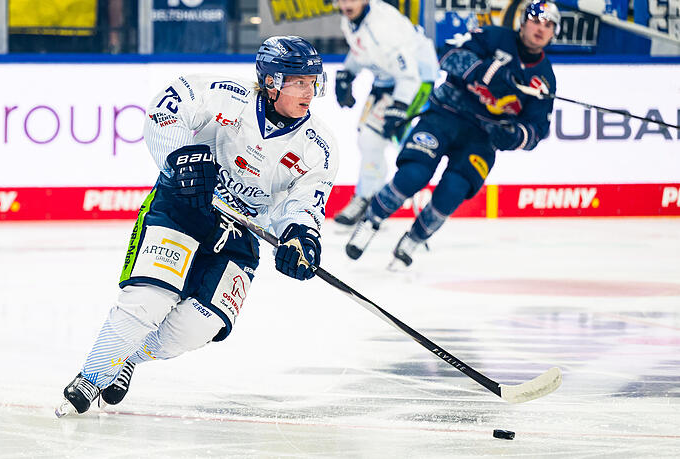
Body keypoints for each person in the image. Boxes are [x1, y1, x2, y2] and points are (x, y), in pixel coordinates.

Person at [56, 36, 339, 416]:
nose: (310, 91)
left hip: (241, 234)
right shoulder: (224, 95)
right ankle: (90, 379)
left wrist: (301, 237)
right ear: (271, 82)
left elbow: (304, 203)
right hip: (182, 207)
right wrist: (179, 160)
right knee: (146, 301)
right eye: (299, 81)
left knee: (193, 329)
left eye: (313, 82)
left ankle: (125, 359)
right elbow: (164, 112)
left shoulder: (319, 146)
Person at [345, 0, 559, 267]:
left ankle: (414, 239)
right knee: (414, 174)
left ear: (554, 33)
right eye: (536, 21)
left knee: (453, 191)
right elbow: (447, 53)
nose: (540, 29)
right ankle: (372, 220)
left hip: (482, 137)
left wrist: (514, 135)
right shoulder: (493, 36)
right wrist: (485, 71)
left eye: (548, 25)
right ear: (523, 22)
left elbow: (536, 129)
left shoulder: (544, 78)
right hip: (445, 115)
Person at [332, 0, 439, 226]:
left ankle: (372, 199)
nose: (346, 4)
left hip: (417, 80)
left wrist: (399, 106)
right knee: (368, 138)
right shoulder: (350, 20)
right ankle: (369, 198)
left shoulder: (384, 28)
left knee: (394, 141)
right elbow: (360, 48)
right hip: (388, 79)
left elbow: (409, 74)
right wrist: (347, 74)